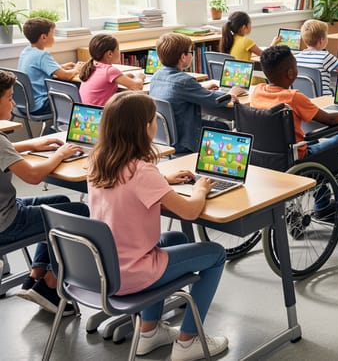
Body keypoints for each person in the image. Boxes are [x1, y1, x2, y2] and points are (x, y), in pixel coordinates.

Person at [87, 92, 229, 360]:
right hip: (130, 273)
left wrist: (162, 180)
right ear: (144, 127)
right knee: (216, 254)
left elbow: (128, 187)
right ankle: (189, 341)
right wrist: (199, 188)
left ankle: (149, 332)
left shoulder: (97, 161)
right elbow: (189, 210)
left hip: (103, 266)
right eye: (153, 120)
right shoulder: (143, 172)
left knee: (174, 238)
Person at [252, 45, 338, 224]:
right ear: (290, 73)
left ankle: (322, 205)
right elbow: (330, 120)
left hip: (269, 161)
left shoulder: (256, 92)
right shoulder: (293, 97)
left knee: (310, 143)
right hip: (297, 161)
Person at [0, 70, 88, 316]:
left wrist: (31, 144)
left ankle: (35, 276)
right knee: (79, 211)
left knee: (59, 201)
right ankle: (50, 285)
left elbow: (5, 149)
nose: (14, 103)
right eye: (9, 98)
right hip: (6, 223)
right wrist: (60, 155)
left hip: (7, 211)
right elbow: (33, 176)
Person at [148, 33, 243, 154]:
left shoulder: (157, 76)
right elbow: (213, 100)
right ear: (183, 57)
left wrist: (200, 87)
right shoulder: (185, 81)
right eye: (190, 52)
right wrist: (230, 93)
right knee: (223, 126)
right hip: (185, 140)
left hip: (165, 138)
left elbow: (177, 90)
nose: (191, 55)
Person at [17, 17, 80, 116]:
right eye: (52, 34)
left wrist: (60, 67)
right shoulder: (42, 55)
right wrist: (78, 69)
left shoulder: (26, 51)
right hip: (41, 105)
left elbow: (38, 69)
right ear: (44, 37)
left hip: (25, 105)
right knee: (78, 88)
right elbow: (65, 76)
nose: (54, 37)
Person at [78, 34, 145, 106]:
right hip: (102, 114)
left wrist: (123, 77)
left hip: (89, 113)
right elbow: (137, 86)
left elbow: (103, 81)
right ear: (110, 54)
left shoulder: (92, 67)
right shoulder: (109, 71)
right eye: (117, 49)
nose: (119, 51)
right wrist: (140, 76)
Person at [295, 19, 338, 96]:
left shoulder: (295, 58)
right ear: (322, 40)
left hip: (304, 99)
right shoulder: (325, 57)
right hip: (323, 100)